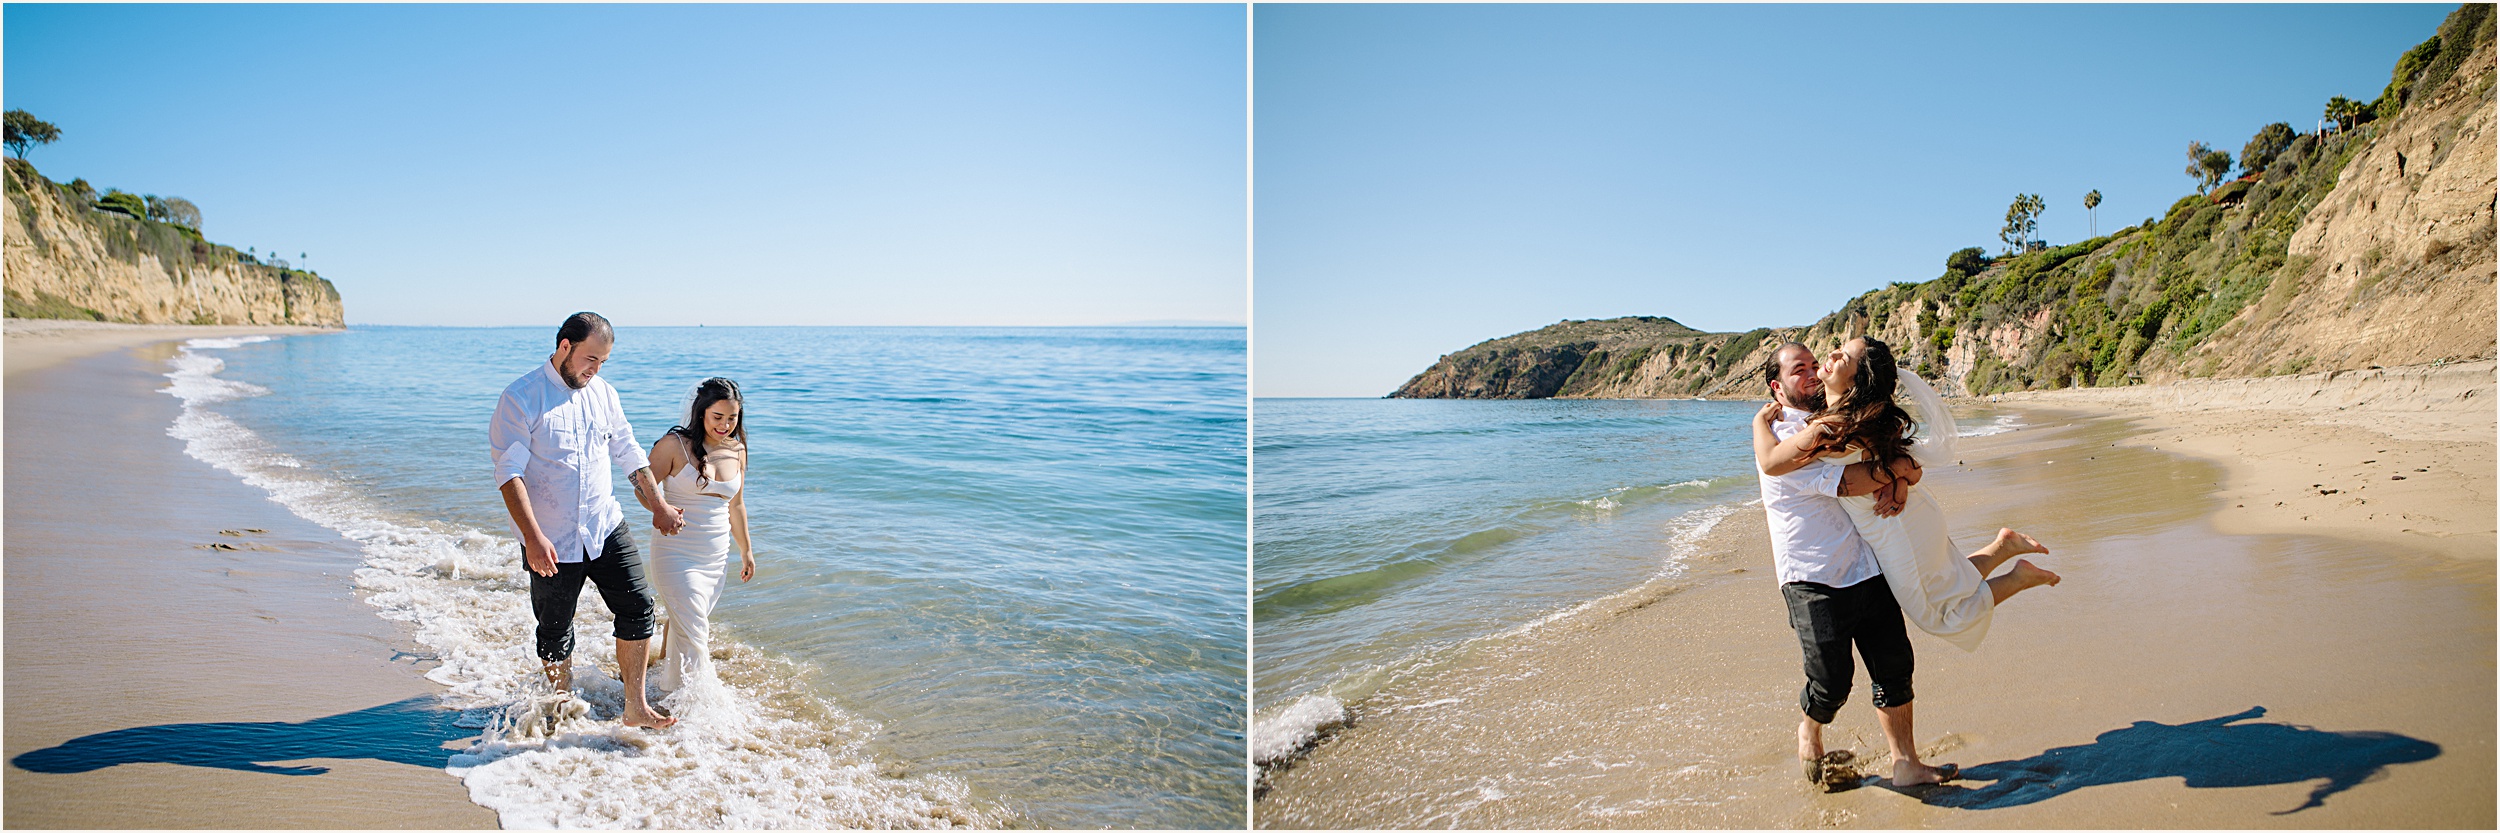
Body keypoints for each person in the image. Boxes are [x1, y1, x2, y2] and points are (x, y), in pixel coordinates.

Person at [1752, 337, 2059, 650]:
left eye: (1843, 357)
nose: (1829, 356)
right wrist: (1900, 475)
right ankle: (2004, 547)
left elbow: (1771, 462)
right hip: (1907, 513)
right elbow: (1905, 460)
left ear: (1857, 380)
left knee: (1935, 614)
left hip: (1891, 522)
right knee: (1943, 581)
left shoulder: (1832, 427)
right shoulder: (1861, 416)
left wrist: (1757, 423)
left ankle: (2017, 577)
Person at [1751, 341, 1954, 789]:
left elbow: (1892, 453)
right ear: (1777, 387)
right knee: (1831, 681)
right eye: (1797, 369)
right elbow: (1848, 483)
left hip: (1865, 563)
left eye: (1812, 364)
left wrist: (1902, 474)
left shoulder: (1841, 418)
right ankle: (1811, 726)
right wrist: (1895, 471)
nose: (1810, 373)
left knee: (1894, 665)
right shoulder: (1787, 437)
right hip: (1812, 575)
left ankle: (1906, 763)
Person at [489, 311, 680, 729]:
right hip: (550, 537)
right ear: (564, 347)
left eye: (603, 363)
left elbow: (628, 452)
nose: (594, 370)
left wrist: (659, 505)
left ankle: (635, 707)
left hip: (604, 524)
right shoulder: (521, 397)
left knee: (639, 607)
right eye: (590, 359)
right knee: (555, 630)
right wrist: (533, 537)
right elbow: (509, 473)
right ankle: (562, 705)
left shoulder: (604, 394)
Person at [645, 376, 756, 697]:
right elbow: (643, 484)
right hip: (675, 550)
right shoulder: (673, 445)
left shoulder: (738, 450)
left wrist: (746, 551)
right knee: (695, 629)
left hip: (715, 555)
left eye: (732, 418)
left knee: (686, 621)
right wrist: (660, 509)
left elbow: (736, 505)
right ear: (701, 412)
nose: (725, 425)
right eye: (717, 417)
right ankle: (698, 703)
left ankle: (660, 684)